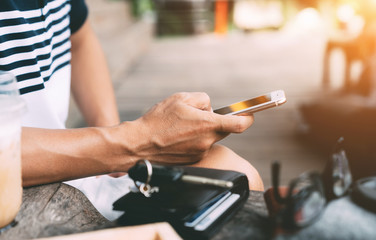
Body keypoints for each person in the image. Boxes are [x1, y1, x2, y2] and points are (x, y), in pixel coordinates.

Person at [0, 0, 263, 209]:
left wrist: (110, 142)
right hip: (15, 190)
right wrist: (131, 143)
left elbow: (79, 37)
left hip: (74, 163)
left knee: (236, 177)